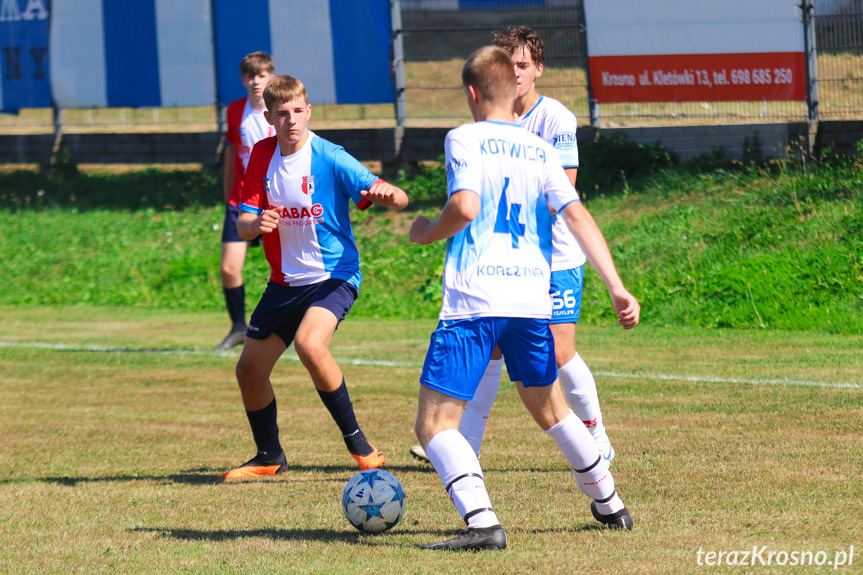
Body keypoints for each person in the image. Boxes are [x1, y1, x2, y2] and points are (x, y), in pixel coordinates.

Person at [409, 46, 639, 551]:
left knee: (434, 424)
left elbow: (465, 206)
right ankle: (610, 502)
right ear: (512, 89)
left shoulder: (463, 137)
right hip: (531, 298)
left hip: (474, 301)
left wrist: (427, 231)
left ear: (471, 93)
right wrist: (616, 285)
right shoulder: (538, 149)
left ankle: (482, 524)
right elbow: (577, 216)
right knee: (552, 409)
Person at [222, 75, 409, 479]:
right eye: (282, 114)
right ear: (269, 117)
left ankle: (360, 444)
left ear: (308, 111)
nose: (291, 120)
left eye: (297, 111)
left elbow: (392, 194)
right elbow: (244, 225)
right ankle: (269, 457)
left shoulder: (330, 156)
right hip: (284, 283)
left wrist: (391, 195)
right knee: (249, 371)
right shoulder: (260, 155)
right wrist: (258, 224)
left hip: (333, 276)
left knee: (310, 344)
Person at [215, 52, 277, 351]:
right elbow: (231, 150)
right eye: (251, 76)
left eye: (262, 75)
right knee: (228, 269)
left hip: (274, 202)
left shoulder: (280, 111)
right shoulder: (235, 110)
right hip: (240, 202)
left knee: (283, 270)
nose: (256, 81)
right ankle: (239, 328)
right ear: (243, 80)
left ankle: (282, 329)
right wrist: (227, 189)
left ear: (271, 78)